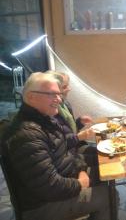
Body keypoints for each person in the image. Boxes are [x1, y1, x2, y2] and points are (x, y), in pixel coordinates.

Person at [1, 72, 112, 220]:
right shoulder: (25, 134)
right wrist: (79, 184)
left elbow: (68, 150)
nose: (59, 100)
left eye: (59, 94)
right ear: (30, 97)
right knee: (109, 196)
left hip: (64, 178)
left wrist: (81, 168)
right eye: (52, 94)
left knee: (105, 175)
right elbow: (49, 186)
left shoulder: (47, 119)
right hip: (40, 206)